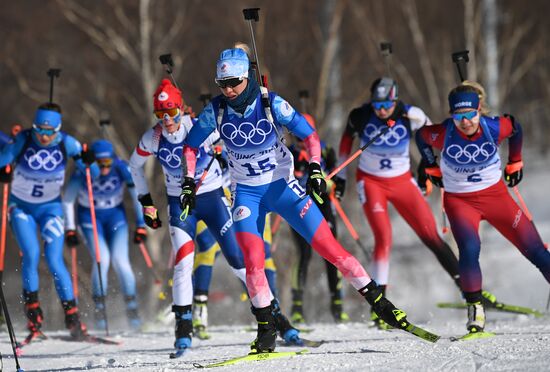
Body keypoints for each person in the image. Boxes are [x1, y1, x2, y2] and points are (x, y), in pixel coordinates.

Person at [180, 48, 419, 353]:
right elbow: (190, 147)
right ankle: (266, 330)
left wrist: (317, 168)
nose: (228, 90)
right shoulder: (216, 110)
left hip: (283, 189)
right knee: (254, 262)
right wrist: (188, 182)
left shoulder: (271, 103)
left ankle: (382, 305)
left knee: (330, 249)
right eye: (222, 83)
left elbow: (310, 136)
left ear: (247, 78)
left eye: (234, 82)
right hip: (247, 195)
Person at [129, 79, 300, 356]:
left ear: (181, 110)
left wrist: (222, 156)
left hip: (212, 198)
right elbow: (133, 166)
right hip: (181, 203)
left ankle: (276, 317)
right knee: (184, 262)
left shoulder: (197, 128)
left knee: (238, 261)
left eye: (171, 113)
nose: (167, 121)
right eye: (160, 115)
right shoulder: (154, 137)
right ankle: (184, 330)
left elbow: (238, 139)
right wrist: (146, 202)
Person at [415, 81, 550, 334]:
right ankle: (475, 309)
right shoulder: (443, 133)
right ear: (451, 115)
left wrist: (515, 162)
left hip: (496, 197)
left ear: (479, 111)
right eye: (458, 116)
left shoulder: (495, 127)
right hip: (460, 201)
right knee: (469, 248)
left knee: (535, 251)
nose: (465, 121)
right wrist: (430, 165)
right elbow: (421, 137)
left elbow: (516, 128)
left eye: (470, 114)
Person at [334, 77, 462, 328]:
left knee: (431, 235)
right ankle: (379, 306)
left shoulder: (411, 114)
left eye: (387, 105)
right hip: (371, 183)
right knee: (384, 237)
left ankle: (468, 287)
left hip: (402, 181)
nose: (382, 110)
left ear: (395, 100)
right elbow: (346, 141)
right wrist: (339, 176)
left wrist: (427, 167)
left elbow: (429, 138)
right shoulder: (360, 115)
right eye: (378, 105)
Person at [0, 103, 97, 342]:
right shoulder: (23, 139)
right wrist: (4, 169)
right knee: (31, 254)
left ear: (58, 130)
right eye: (39, 130)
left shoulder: (67, 143)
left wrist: (88, 161)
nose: (43, 136)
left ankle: (73, 318)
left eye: (49, 132)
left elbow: (90, 172)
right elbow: (3, 160)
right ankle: (33, 314)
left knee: (55, 259)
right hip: (20, 208)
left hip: (51, 209)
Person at [62, 139, 145, 330]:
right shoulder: (83, 171)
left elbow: (137, 194)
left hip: (115, 218)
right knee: (102, 260)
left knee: (121, 262)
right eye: (100, 164)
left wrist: (141, 224)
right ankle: (99, 309)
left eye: (108, 162)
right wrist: (70, 228)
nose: (105, 167)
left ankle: (133, 310)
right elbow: (67, 201)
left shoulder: (121, 167)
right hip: (90, 219)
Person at [288, 113, 348, 324]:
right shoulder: (289, 154)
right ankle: (297, 306)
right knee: (304, 254)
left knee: (332, 252)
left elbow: (339, 177)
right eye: (297, 139)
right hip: (299, 206)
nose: (301, 143)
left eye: (304, 138)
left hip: (323, 205)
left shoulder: (326, 150)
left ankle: (337, 302)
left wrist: (335, 186)